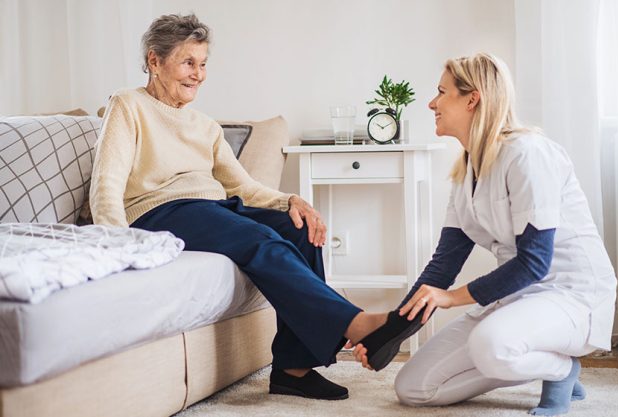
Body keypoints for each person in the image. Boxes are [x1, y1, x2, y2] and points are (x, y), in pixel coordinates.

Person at [89, 13, 422, 401]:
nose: (198, 74)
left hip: (212, 207)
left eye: (203, 63)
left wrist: (290, 201)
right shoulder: (128, 105)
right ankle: (357, 323)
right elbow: (106, 183)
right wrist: (118, 244)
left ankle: (293, 370)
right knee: (259, 238)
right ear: (154, 61)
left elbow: (242, 185)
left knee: (298, 227)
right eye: (188, 62)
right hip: (159, 212)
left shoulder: (204, 125)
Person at [350, 53, 617, 416]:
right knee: (413, 388)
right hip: (516, 299)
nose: (432, 103)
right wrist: (389, 334)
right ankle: (532, 357)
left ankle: (561, 369)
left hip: (570, 295)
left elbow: (534, 262)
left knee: (492, 345)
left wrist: (451, 299)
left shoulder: (527, 154)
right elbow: (441, 269)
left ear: (472, 98)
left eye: (441, 92)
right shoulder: (466, 172)